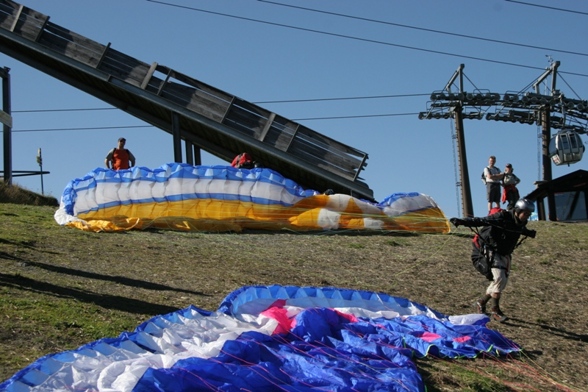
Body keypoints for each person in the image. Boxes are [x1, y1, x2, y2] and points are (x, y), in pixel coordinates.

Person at [449, 198, 536, 323]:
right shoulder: (502, 217)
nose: (526, 216)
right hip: (490, 251)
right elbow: (482, 221)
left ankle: (481, 302)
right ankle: (495, 311)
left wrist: (529, 233)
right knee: (499, 278)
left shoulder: (521, 223)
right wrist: (462, 221)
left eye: (528, 214)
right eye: (525, 213)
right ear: (517, 210)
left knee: (501, 282)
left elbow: (519, 229)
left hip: (504, 254)